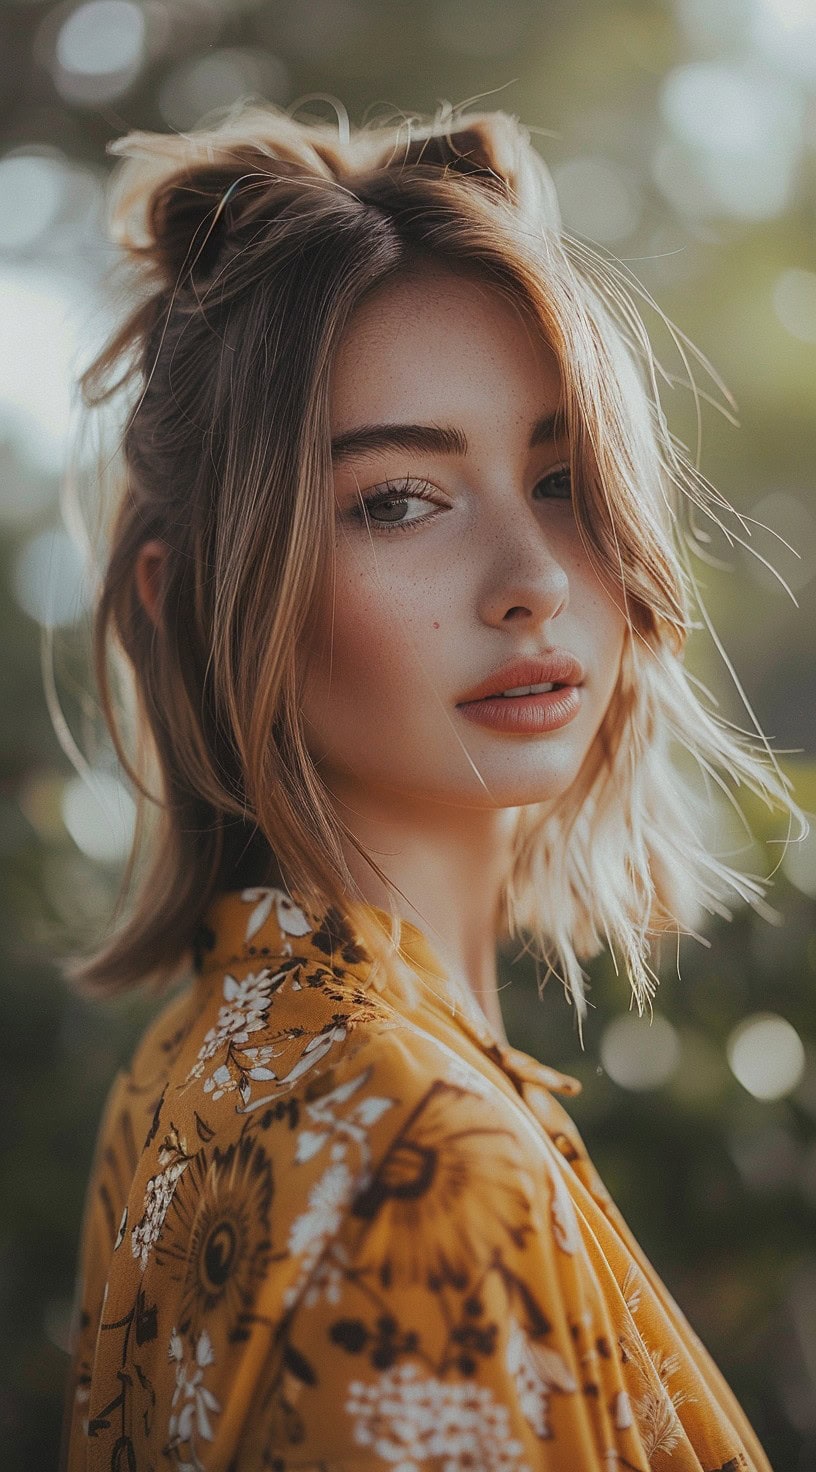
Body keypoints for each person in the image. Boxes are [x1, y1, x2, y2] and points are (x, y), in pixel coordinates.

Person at [57, 99, 803, 1471]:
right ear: (186, 604)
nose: (534, 583)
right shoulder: (426, 1162)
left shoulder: (206, 1056)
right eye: (399, 498)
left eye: (567, 480)